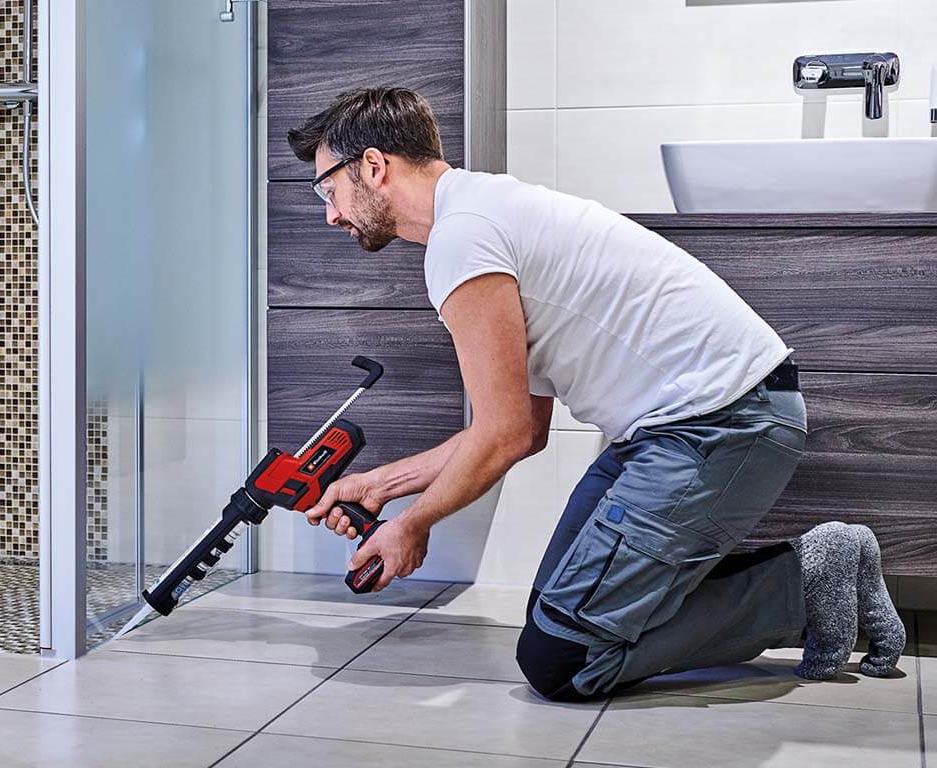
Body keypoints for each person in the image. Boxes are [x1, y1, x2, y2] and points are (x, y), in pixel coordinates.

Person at [291, 86, 906, 701]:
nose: (331, 213)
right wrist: (379, 488)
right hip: (684, 424)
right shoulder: (484, 214)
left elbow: (502, 435)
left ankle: (803, 584)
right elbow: (522, 430)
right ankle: (801, 576)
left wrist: (414, 523)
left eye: (329, 187)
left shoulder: (464, 238)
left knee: (562, 659)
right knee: (556, 613)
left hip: (718, 422)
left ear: (373, 166)